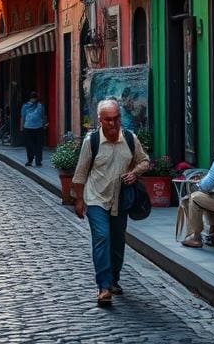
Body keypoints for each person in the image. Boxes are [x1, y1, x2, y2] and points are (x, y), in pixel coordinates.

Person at [71, 98, 149, 307]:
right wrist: (79, 200)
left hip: (120, 200)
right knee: (102, 238)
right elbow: (80, 173)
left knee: (117, 242)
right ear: (100, 120)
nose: (112, 124)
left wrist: (134, 173)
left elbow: (145, 161)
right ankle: (104, 287)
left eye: (116, 119)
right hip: (96, 198)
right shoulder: (92, 141)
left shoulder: (130, 139)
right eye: (108, 120)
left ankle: (113, 279)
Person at [20, 91, 47, 167]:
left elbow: (22, 117)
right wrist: (44, 125)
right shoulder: (40, 106)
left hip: (28, 128)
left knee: (29, 146)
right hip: (38, 128)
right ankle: (38, 161)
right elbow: (43, 116)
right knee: (38, 145)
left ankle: (30, 161)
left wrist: (21, 127)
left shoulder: (25, 106)